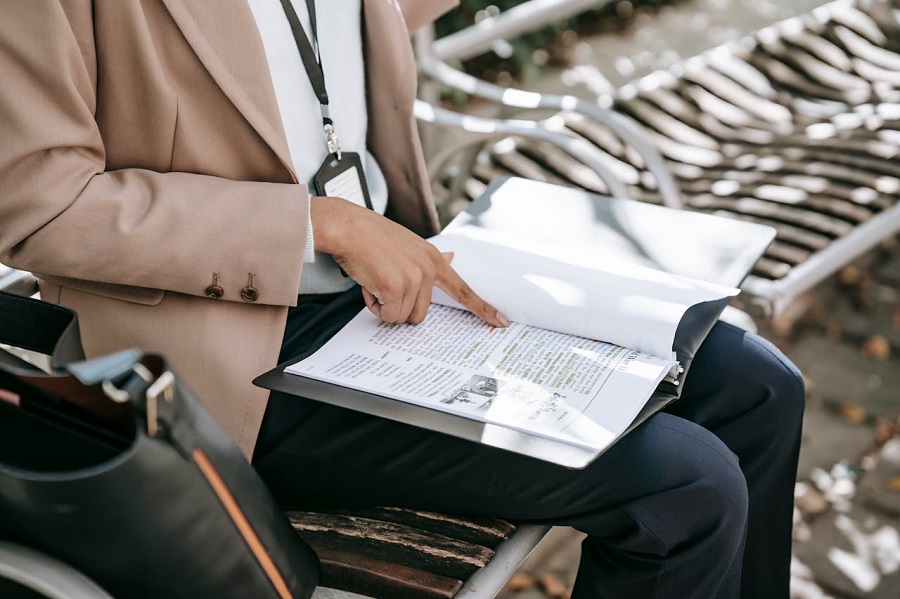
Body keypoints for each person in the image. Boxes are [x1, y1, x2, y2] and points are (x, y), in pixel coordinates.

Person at [0, 1, 805, 597]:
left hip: (399, 279)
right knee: (687, 488)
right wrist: (318, 225)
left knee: (762, 387)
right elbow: (39, 204)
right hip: (231, 360)